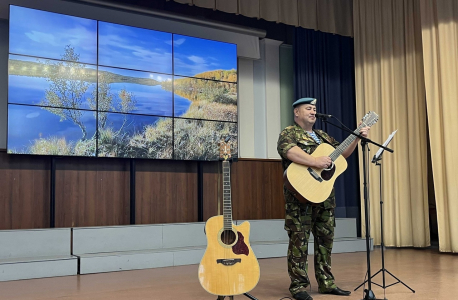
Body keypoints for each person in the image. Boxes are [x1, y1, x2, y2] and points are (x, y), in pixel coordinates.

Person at [277, 97, 369, 300]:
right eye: (308, 108)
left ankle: (327, 283)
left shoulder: (323, 135)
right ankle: (299, 287)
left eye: (315, 109)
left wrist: (356, 135)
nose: (313, 111)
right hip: (299, 197)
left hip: (325, 197)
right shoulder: (289, 132)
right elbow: (288, 151)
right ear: (296, 113)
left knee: (325, 242)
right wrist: (315, 160)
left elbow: (342, 154)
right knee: (299, 242)